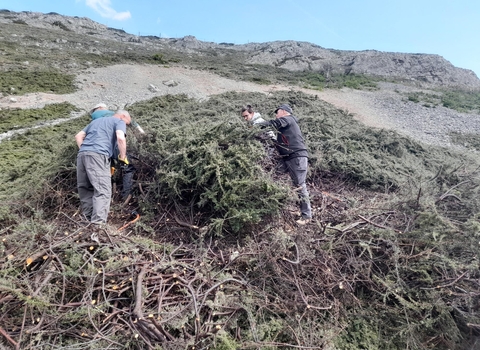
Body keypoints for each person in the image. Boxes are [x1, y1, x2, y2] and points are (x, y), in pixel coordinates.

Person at [259, 103, 312, 225]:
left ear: (283, 111)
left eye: (277, 112)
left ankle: (306, 216)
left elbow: (275, 123)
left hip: (297, 157)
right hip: (288, 158)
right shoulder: (287, 123)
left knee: (300, 185)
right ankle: (292, 209)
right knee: (274, 176)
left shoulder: (288, 119)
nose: (276, 115)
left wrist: (258, 125)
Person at [75, 110, 131, 224]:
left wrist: (85, 149)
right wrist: (123, 156)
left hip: (82, 156)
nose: (126, 126)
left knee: (86, 189)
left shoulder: (96, 121)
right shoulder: (119, 121)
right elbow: (120, 137)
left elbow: (78, 136)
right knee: (103, 191)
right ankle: (97, 226)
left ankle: (87, 223)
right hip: (99, 155)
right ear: (123, 116)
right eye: (127, 123)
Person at [89, 103, 144, 200]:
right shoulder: (109, 114)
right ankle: (126, 196)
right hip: (113, 144)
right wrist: (144, 134)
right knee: (128, 167)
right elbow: (131, 123)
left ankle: (107, 197)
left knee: (108, 170)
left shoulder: (95, 119)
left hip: (99, 150)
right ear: (101, 108)